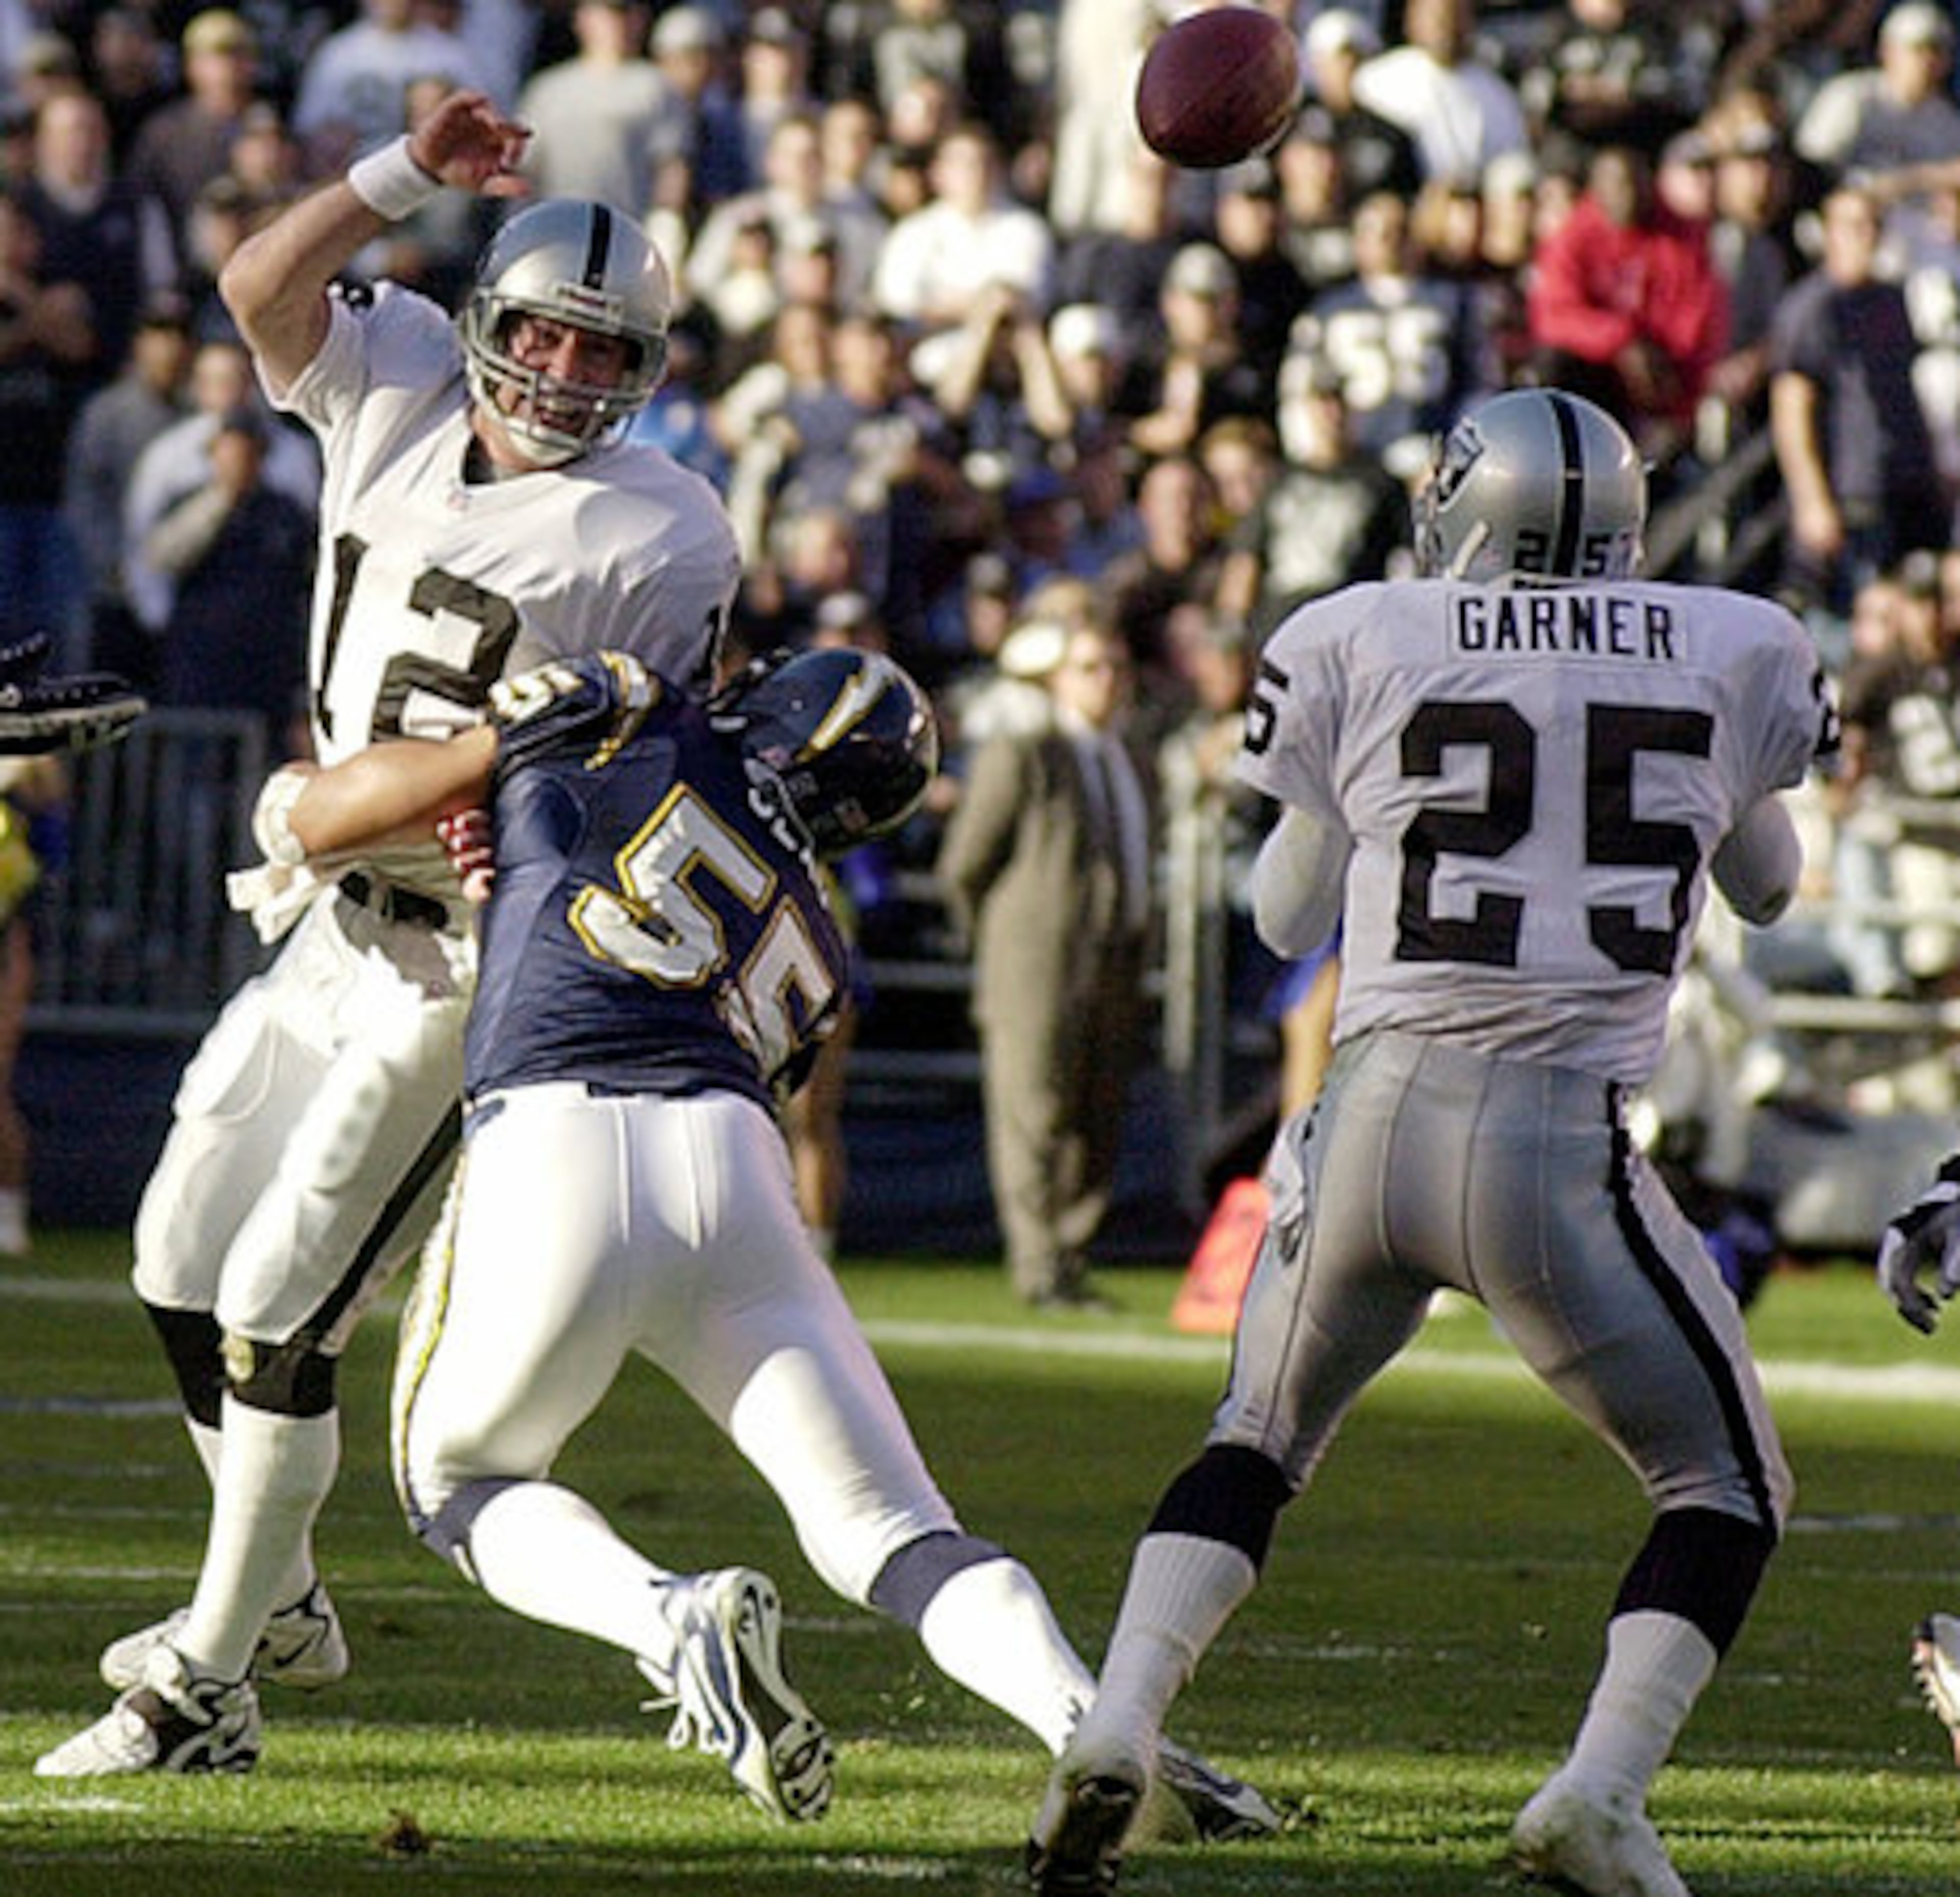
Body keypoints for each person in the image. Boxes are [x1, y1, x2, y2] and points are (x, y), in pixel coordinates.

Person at [123, 641, 1273, 1842]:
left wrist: (408, 820)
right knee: (897, 1529)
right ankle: (1097, 1723)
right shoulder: (820, 940)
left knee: (461, 1480)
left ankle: (670, 1619)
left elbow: (434, 797)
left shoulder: (628, 715)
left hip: (556, 1132)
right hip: (736, 1171)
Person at [1027, 388, 1838, 1897]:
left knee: (1254, 1443)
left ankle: (1120, 1720)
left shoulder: (1366, 629)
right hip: (1553, 1146)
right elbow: (1777, 890)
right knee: (1725, 1487)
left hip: (1370, 1117)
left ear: (1464, 509)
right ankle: (1598, 1789)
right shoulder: (1737, 643)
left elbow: (1280, 918)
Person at [34, 88, 741, 1778]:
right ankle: (276, 1591)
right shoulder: (402, 370)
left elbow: (650, 763)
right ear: (489, 325)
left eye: (603, 355)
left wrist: (523, 807)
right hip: (321, 921)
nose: (567, 378)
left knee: (283, 1300)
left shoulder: (668, 527)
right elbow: (262, 285)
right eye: (549, 342)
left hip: (459, 952)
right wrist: (405, 173)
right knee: (171, 1253)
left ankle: (206, 1683)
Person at [937, 618, 1153, 1309]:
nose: (1108, 680)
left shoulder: (1125, 755)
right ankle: (1039, 1266)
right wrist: (1002, 938)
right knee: (1035, 1114)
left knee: (1097, 1116)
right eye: (1091, 667)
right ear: (1056, 678)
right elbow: (966, 861)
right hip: (1037, 960)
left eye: (1116, 665)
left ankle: (1070, 1258)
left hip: (1114, 957)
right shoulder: (1026, 752)